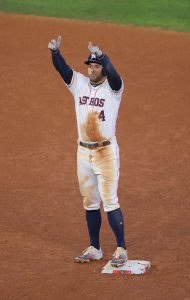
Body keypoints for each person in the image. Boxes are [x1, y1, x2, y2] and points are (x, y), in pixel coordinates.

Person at [48, 36, 127, 267]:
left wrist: (103, 56)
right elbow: (64, 70)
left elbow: (113, 73)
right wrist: (55, 53)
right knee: (90, 202)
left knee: (110, 201)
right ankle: (95, 247)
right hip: (83, 152)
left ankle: (121, 248)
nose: (92, 70)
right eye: (90, 66)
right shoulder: (80, 84)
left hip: (105, 153)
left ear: (102, 68)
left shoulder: (114, 88)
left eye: (96, 66)